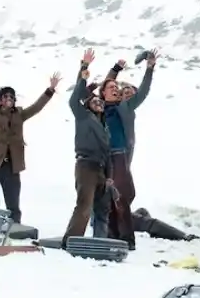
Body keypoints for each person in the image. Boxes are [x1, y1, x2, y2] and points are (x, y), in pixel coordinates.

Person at [97, 50, 157, 250]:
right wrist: (115, 70)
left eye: (117, 88)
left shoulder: (125, 106)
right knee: (106, 198)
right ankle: (111, 234)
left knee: (122, 197)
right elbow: (105, 85)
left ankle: (127, 239)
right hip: (102, 158)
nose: (115, 89)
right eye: (112, 88)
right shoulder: (98, 107)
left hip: (119, 156)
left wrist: (149, 69)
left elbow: (143, 92)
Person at [0, 73, 62, 223]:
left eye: (12, 96)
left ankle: (14, 230)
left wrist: (50, 90)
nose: (10, 98)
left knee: (13, 206)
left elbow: (37, 107)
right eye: (6, 96)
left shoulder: (20, 114)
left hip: (12, 168)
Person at [62, 48, 115, 249]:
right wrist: (84, 69)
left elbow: (108, 153)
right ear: (87, 105)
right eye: (94, 100)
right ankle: (70, 241)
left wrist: (109, 175)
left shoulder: (104, 126)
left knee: (102, 210)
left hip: (101, 169)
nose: (98, 102)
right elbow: (74, 97)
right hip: (86, 166)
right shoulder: (83, 116)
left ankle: (99, 243)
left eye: (100, 101)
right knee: (84, 206)